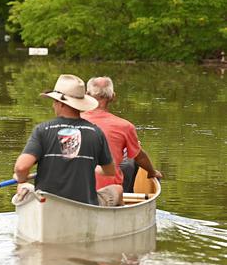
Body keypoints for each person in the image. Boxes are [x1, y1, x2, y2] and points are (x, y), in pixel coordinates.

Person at [13, 74, 120, 206]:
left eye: (54, 101)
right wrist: (88, 166)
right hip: (86, 204)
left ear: (60, 103)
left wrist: (21, 178)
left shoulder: (42, 130)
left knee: (22, 186)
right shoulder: (96, 132)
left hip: (47, 203)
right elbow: (110, 171)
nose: (53, 106)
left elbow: (22, 167)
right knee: (118, 190)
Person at [82, 76, 162, 194]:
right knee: (131, 156)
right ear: (113, 97)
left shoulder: (72, 121)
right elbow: (139, 157)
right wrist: (152, 172)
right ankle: (128, 194)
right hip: (109, 192)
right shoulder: (125, 126)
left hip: (74, 190)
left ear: (87, 94)